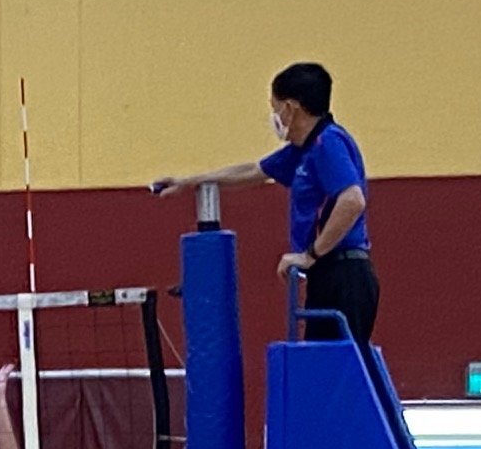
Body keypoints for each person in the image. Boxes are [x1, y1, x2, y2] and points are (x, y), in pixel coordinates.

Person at [153, 61, 376, 345]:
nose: (274, 115)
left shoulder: (328, 143)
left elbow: (352, 200)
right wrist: (189, 181)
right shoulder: (301, 151)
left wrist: (311, 254)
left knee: (333, 376)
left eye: (275, 107)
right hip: (328, 275)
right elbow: (253, 171)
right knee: (321, 370)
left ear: (291, 108)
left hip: (344, 276)